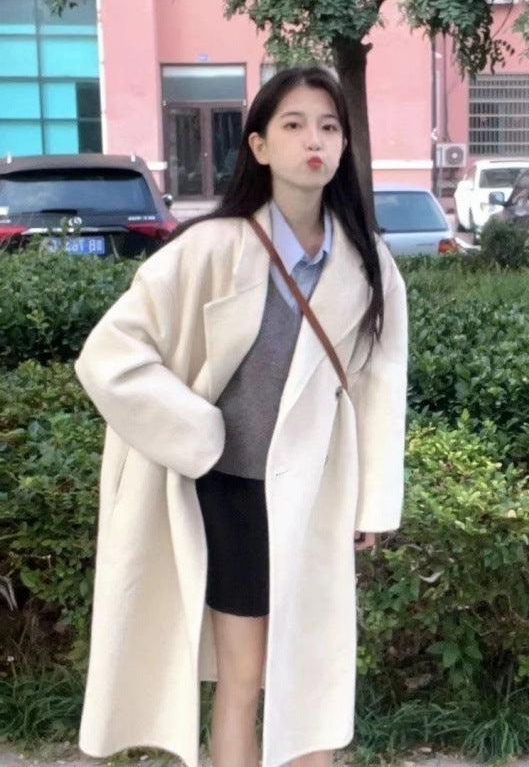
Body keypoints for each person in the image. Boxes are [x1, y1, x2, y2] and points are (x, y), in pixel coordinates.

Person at [73, 66, 408, 767]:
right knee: (244, 677)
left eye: (328, 127)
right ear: (258, 145)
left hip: (315, 495)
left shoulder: (368, 264)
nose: (313, 141)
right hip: (231, 495)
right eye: (294, 125)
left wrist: (373, 503)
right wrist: (195, 431)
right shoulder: (212, 248)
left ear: (344, 145)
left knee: (311, 678)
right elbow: (109, 354)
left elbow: (380, 384)